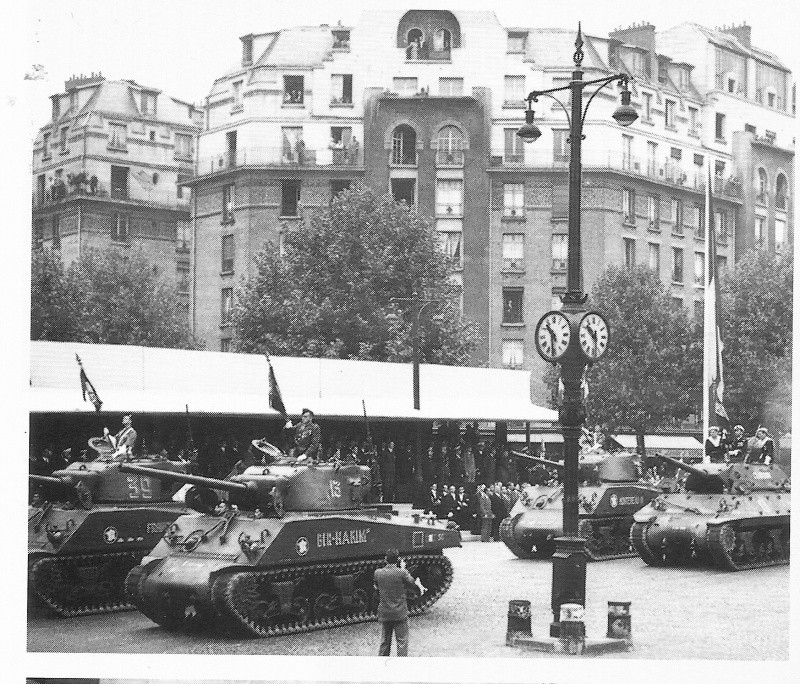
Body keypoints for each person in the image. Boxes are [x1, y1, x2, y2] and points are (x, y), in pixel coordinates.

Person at [373, 548, 420, 656]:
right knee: (402, 641)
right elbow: (412, 583)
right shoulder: (401, 573)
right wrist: (404, 569)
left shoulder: (378, 573)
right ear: (398, 559)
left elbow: (376, 587)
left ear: (386, 559)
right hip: (399, 613)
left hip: (385, 613)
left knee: (385, 641)